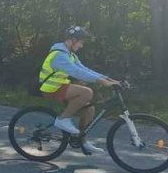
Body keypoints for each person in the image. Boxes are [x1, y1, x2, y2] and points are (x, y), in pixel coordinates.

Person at [39, 25, 121, 154]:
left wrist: (109, 80)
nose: (81, 46)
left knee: (89, 109)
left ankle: (82, 140)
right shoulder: (59, 55)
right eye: (81, 42)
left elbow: (84, 69)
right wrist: (102, 82)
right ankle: (62, 119)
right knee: (86, 92)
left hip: (60, 87)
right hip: (51, 88)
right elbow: (76, 72)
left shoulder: (69, 54)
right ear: (72, 40)